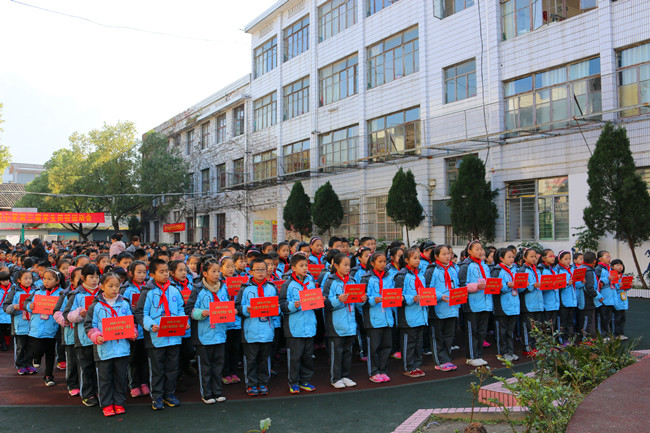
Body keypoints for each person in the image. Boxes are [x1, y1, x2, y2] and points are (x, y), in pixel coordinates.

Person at [135, 259, 187, 411]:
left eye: (166, 272)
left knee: (172, 368)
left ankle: (169, 394)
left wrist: (184, 321)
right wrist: (151, 325)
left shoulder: (174, 290)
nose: (165, 275)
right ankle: (157, 396)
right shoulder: (148, 292)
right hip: (156, 339)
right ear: (152, 274)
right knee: (157, 369)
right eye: (161, 272)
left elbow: (181, 308)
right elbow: (140, 313)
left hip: (174, 337)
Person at [85, 272, 135, 417]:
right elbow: (89, 326)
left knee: (120, 377)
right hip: (104, 350)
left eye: (117, 286)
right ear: (102, 286)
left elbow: (131, 322)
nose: (114, 289)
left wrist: (132, 332)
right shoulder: (96, 306)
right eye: (110, 286)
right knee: (105, 378)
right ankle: (107, 404)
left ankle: (119, 402)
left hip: (122, 349)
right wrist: (96, 336)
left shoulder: (124, 303)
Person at [186, 258, 229, 404]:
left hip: (220, 333)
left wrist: (231, 311)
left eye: (218, 271)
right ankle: (207, 393)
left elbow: (226, 304)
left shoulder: (223, 287)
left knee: (218, 364)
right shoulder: (198, 289)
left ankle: (217, 391)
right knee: (205, 366)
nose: (217, 274)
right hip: (203, 335)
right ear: (204, 273)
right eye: (213, 271)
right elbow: (189, 310)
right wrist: (201, 313)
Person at [235, 257, 278, 397]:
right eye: (257, 270)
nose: (260, 272)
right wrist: (246, 309)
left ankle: (263, 382)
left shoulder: (272, 288)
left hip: (267, 330)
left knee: (264, 359)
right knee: (251, 359)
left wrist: (276, 308)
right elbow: (237, 307)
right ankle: (251, 384)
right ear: (251, 271)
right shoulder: (245, 289)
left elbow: (278, 306)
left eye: (263, 270)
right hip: (250, 331)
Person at [279, 254, 318, 394]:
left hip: (310, 326)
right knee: (295, 357)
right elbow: (282, 305)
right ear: (293, 268)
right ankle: (293, 382)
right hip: (294, 328)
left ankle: (305, 380)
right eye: (301, 266)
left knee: (308, 356)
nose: (305, 268)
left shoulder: (311, 283)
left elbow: (315, 303)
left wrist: (319, 300)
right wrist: (293, 305)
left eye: (306, 265)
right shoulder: (288, 285)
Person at [64, 264, 102, 406]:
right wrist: (79, 314)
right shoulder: (76, 295)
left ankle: (98, 391)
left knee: (99, 367)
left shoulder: (103, 292)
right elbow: (66, 315)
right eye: (91, 277)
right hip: (83, 338)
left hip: (101, 337)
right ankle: (87, 394)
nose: (95, 280)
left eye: (97, 277)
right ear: (83, 278)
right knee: (86, 367)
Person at [323, 253, 361, 389]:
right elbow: (325, 302)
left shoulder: (352, 281)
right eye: (344, 265)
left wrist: (362, 299)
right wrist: (338, 299)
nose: (348, 268)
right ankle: (335, 378)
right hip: (336, 323)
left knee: (347, 351)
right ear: (336, 266)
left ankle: (345, 375)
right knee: (337, 352)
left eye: (349, 265)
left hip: (350, 322)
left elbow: (356, 302)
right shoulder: (330, 281)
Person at [25, 268, 65, 386]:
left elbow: (64, 308)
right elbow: (26, 303)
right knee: (37, 349)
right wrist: (29, 306)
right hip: (36, 327)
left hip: (52, 328)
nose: (46, 281)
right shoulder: (37, 291)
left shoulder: (62, 293)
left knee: (50, 353)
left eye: (49, 279)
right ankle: (36, 357)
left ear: (57, 281)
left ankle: (48, 376)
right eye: (45, 278)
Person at [425, 245, 461, 371]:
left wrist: (459, 295)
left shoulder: (453, 269)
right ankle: (439, 361)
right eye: (444, 254)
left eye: (449, 254)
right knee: (438, 336)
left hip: (452, 308)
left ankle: (447, 359)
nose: (448, 256)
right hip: (438, 308)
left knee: (449, 336)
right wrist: (440, 296)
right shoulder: (432, 270)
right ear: (436, 256)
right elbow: (427, 288)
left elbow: (457, 285)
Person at [458, 240, 493, 367]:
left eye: (481, 249)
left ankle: (479, 355)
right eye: (477, 249)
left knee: (482, 331)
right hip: (472, 304)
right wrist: (476, 286)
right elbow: (462, 285)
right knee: (472, 331)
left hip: (485, 303)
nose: (480, 251)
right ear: (469, 251)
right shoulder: (466, 266)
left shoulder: (484, 265)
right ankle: (471, 356)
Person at [361, 251, 394, 382]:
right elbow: (362, 299)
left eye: (384, 261)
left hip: (387, 317)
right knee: (374, 348)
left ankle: (383, 370)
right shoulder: (366, 278)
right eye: (379, 262)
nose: (383, 264)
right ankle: (373, 372)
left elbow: (393, 293)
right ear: (372, 263)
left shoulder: (389, 277)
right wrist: (373, 300)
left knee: (386, 346)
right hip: (373, 319)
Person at [395, 248, 428, 377]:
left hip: (420, 313)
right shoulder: (401, 276)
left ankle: (417, 365)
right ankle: (408, 367)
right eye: (414, 258)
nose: (418, 260)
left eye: (419, 258)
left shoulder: (420, 275)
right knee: (409, 343)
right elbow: (398, 297)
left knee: (419, 343)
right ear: (406, 260)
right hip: (408, 316)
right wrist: (412, 298)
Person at [120, 260, 150, 398]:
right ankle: (134, 384)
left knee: (144, 358)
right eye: (139, 272)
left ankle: (144, 382)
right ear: (131, 273)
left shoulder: (148, 287)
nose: (142, 275)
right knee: (132, 359)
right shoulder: (125, 289)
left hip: (146, 330)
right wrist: (130, 308)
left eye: (144, 272)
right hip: (133, 330)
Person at [53, 267, 82, 396]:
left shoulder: (95, 294)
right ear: (72, 281)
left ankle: (85, 385)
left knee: (85, 363)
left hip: (87, 336)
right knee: (72, 361)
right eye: (80, 278)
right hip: (70, 335)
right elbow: (57, 312)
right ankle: (72, 384)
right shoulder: (66, 294)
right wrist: (66, 321)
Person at [3, 270, 37, 374]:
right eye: (25, 278)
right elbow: (5, 306)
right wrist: (14, 307)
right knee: (20, 346)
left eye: (30, 278)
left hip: (33, 324)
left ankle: (29, 364)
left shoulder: (36, 290)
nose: (28, 280)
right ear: (18, 280)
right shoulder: (14, 291)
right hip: (19, 324)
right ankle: (20, 365)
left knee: (31, 346)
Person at [491, 248, 520, 362]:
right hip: (502, 306)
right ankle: (502, 352)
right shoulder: (497, 270)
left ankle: (510, 351)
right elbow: (495, 287)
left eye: (513, 257)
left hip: (514, 305)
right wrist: (507, 285)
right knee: (502, 331)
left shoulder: (515, 270)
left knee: (510, 331)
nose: (512, 259)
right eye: (509, 257)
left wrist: (522, 284)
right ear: (501, 258)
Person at [518, 249, 544, 357]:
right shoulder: (522, 270)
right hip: (528, 304)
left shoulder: (537, 270)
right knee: (527, 327)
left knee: (536, 327)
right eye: (531, 256)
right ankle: (527, 347)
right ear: (525, 257)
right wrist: (532, 286)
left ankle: (536, 347)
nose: (534, 259)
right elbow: (520, 288)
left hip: (538, 303)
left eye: (535, 257)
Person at [556, 250, 577, 343]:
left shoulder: (572, 269)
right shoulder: (557, 270)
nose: (568, 261)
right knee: (563, 322)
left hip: (572, 300)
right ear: (559, 260)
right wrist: (567, 283)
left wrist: (581, 281)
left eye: (569, 259)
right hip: (563, 301)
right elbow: (557, 284)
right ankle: (562, 340)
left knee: (570, 321)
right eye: (566, 259)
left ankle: (570, 339)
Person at [595, 251, 614, 335]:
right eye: (607, 257)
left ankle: (610, 333)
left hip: (610, 296)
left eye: (610, 257)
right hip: (602, 297)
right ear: (600, 259)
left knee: (609, 317)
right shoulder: (598, 268)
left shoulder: (609, 268)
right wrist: (608, 279)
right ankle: (604, 334)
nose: (609, 259)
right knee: (604, 317)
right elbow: (598, 282)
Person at [610, 259, 628, 339]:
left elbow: (625, 288)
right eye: (617, 265)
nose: (620, 267)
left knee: (622, 318)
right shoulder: (612, 276)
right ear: (612, 267)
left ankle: (621, 333)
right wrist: (619, 285)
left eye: (621, 265)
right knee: (616, 318)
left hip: (623, 299)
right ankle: (616, 334)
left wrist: (628, 285)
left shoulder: (623, 276)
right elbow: (613, 287)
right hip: (616, 299)